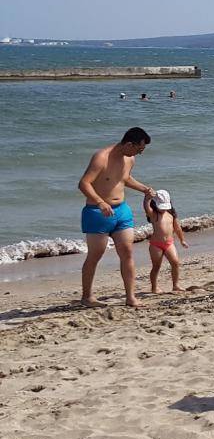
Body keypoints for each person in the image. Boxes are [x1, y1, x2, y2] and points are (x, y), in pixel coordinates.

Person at [78, 127, 155, 308]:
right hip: (97, 213)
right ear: (129, 144)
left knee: (127, 252)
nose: (139, 153)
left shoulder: (130, 159)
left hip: (121, 210)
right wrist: (100, 202)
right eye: (139, 149)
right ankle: (87, 297)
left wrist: (144, 188)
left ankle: (131, 297)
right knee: (95, 255)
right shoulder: (101, 157)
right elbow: (84, 183)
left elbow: (124, 178)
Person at [143, 189, 188, 293]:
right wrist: (147, 197)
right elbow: (146, 207)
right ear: (155, 204)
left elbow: (177, 228)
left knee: (175, 263)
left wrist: (182, 240)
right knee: (156, 266)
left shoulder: (171, 214)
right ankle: (154, 287)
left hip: (169, 243)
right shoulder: (154, 215)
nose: (163, 209)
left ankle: (175, 285)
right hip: (156, 245)